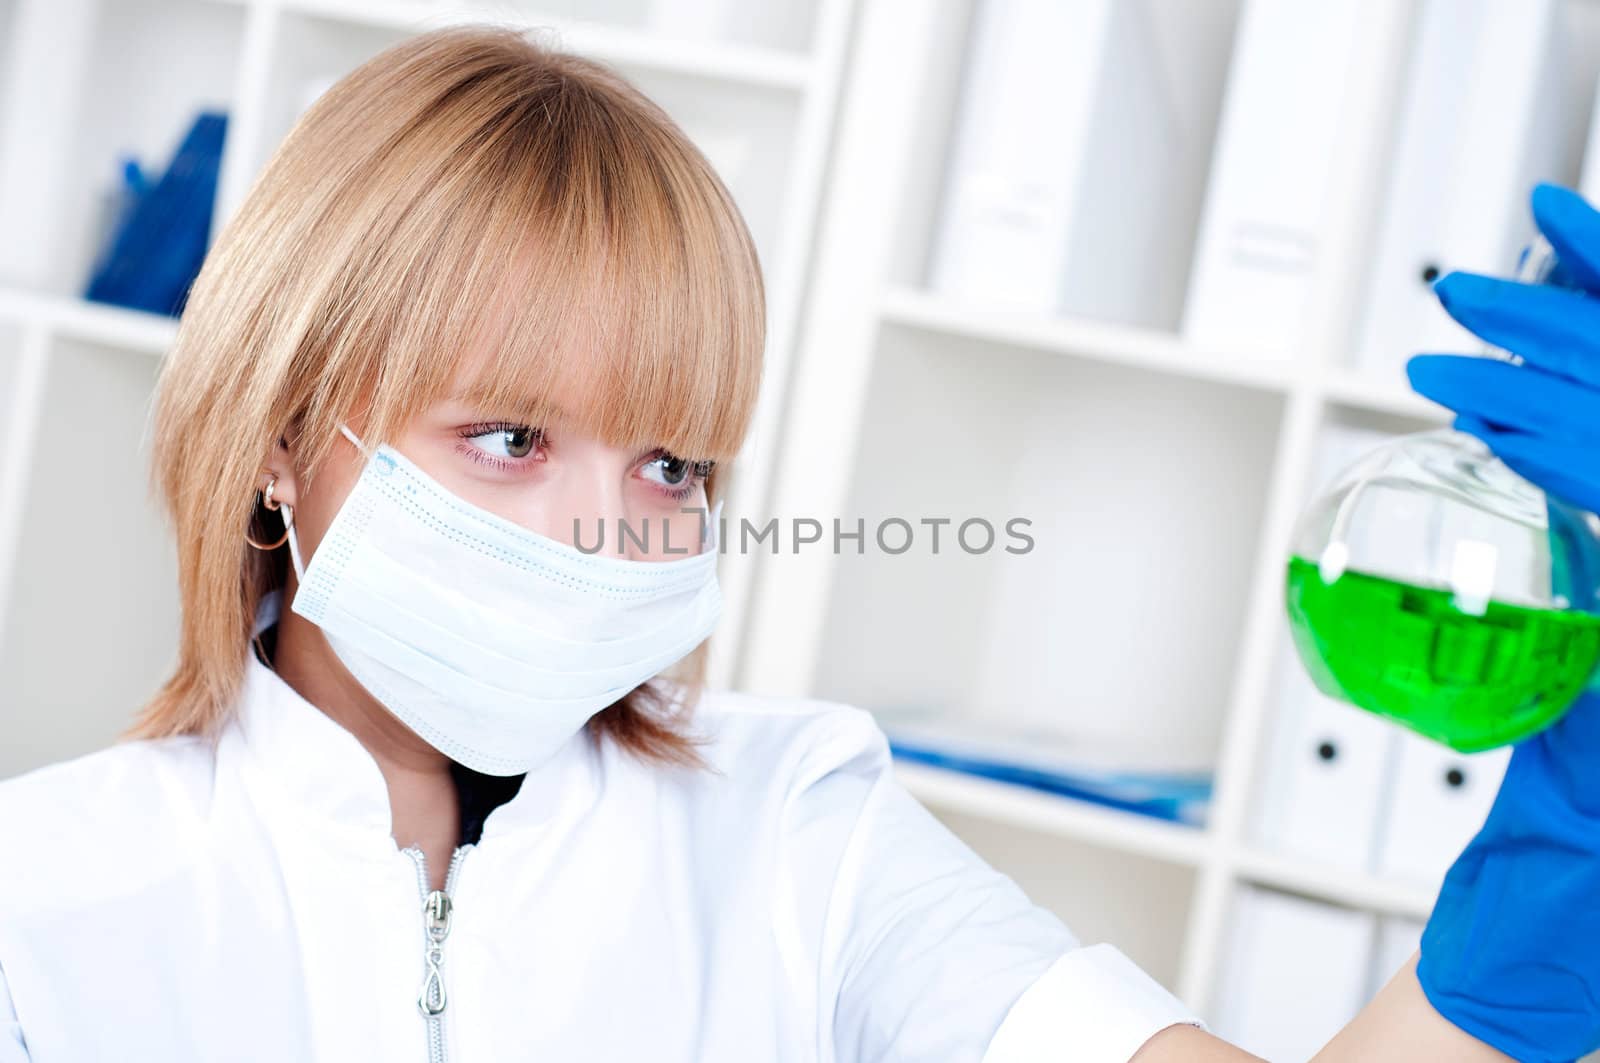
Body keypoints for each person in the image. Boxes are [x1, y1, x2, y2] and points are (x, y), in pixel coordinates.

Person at [0, 23, 1594, 1063]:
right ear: (285, 435)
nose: (611, 528)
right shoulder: (46, 909)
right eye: (509, 436)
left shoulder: (792, 834)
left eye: (673, 459)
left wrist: (1532, 918)